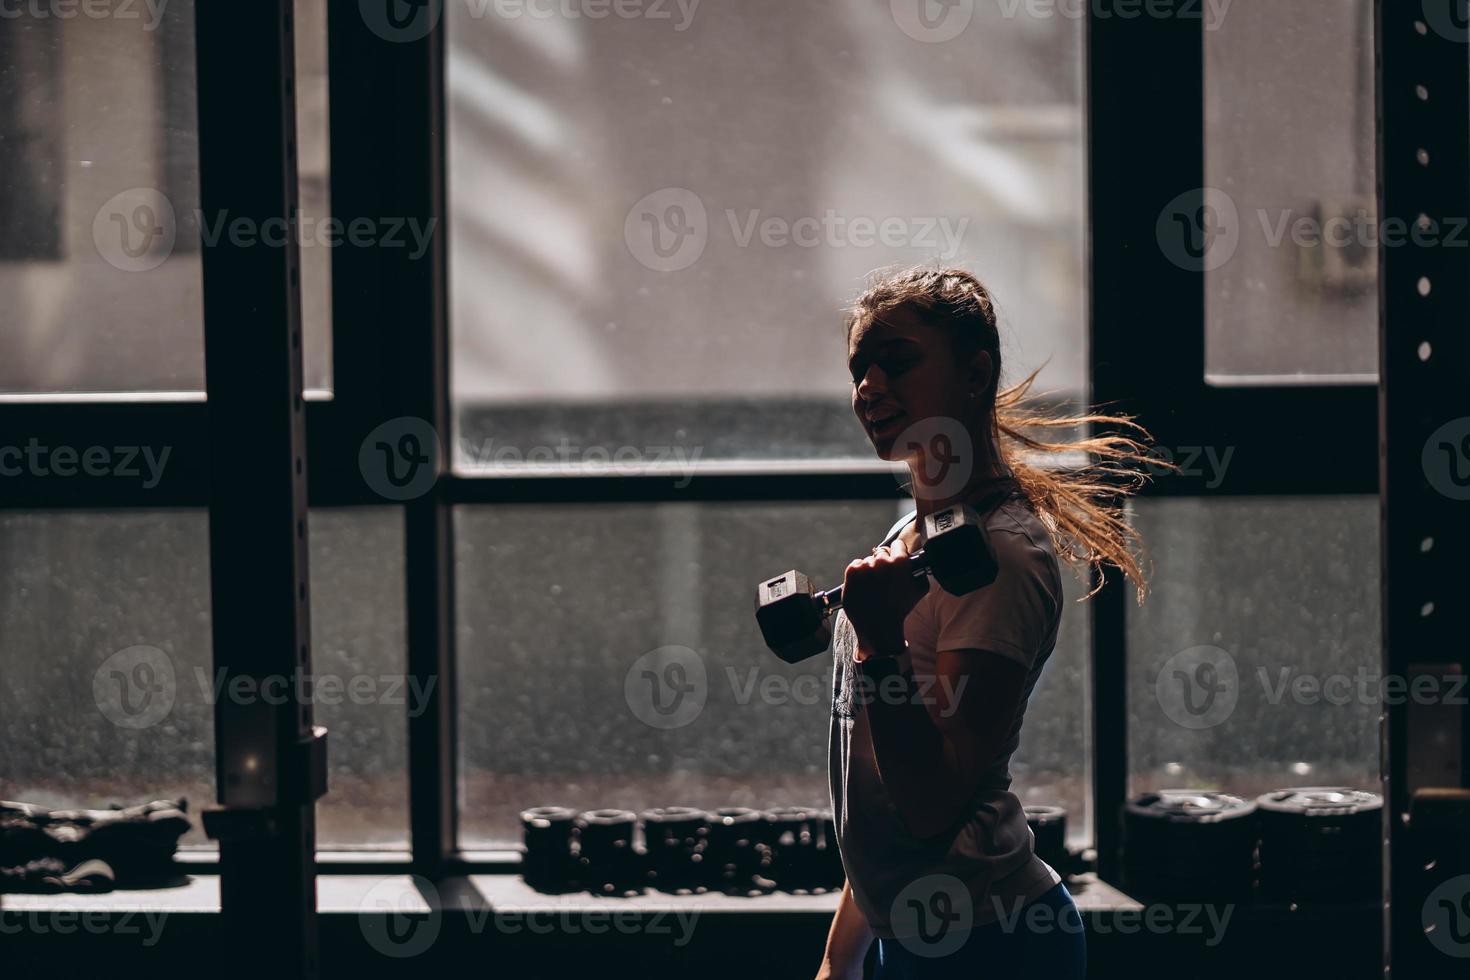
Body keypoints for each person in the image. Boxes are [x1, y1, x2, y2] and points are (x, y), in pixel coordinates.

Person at [816, 267, 1157, 979]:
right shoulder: (913, 533)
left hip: (989, 939)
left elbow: (934, 804)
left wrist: (879, 645)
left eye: (898, 362)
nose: (869, 387)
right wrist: (838, 962)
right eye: (859, 369)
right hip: (905, 937)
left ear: (975, 374)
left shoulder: (1001, 554)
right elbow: (877, 787)